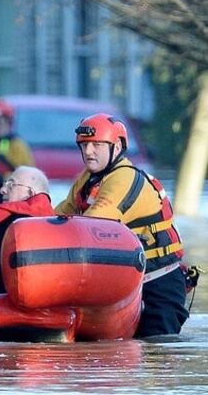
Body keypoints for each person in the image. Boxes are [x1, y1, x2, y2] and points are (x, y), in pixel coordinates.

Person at [55, 113, 188, 338]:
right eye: (84, 145)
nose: (88, 152)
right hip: (125, 285)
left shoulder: (124, 179)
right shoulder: (87, 179)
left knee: (156, 349)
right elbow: (61, 214)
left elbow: (92, 225)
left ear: (116, 147)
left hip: (158, 284)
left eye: (97, 145)